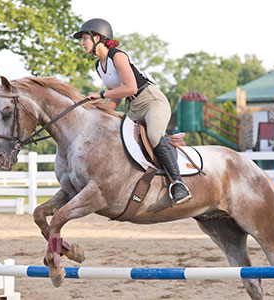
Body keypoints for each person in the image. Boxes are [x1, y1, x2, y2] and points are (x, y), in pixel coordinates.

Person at [73, 18, 191, 205]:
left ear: (97, 38)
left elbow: (131, 88)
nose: (82, 43)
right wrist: (102, 112)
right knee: (116, 135)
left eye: (85, 38)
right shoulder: (99, 66)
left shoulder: (118, 56)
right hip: (134, 107)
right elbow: (118, 97)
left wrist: (102, 94)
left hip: (152, 101)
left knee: (153, 135)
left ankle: (178, 184)